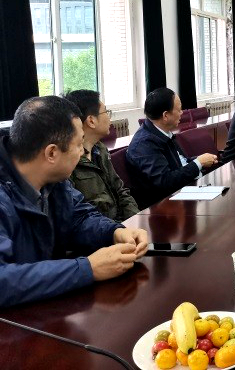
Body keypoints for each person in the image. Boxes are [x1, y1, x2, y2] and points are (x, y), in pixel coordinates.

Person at [0, 96, 148, 308]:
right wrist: (87, 269)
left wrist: (114, 232)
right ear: (52, 153)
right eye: (78, 145)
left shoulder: (54, 180)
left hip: (47, 305)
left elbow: (79, 217)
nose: (82, 152)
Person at [126, 88, 218, 208]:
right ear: (165, 115)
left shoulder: (162, 132)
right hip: (163, 207)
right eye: (179, 110)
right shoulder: (144, 144)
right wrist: (198, 163)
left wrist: (200, 160)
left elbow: (180, 163)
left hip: (181, 194)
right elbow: (166, 181)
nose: (182, 113)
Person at [64, 90, 139, 221]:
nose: (109, 118)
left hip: (120, 226)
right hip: (102, 229)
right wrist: (118, 229)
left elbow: (120, 190)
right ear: (91, 121)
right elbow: (80, 216)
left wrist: (135, 220)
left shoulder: (100, 149)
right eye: (106, 112)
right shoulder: (68, 162)